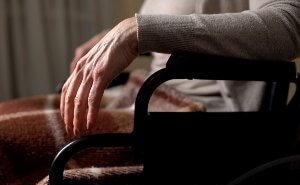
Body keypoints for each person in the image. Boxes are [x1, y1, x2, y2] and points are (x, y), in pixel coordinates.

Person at [61, 0, 300, 135]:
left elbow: (288, 25)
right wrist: (110, 36)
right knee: (28, 113)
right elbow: (170, 28)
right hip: (145, 96)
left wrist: (137, 32)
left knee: (25, 143)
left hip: (193, 116)